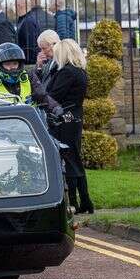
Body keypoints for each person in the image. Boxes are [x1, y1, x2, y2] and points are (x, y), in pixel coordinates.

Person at [45, 39, 93, 214]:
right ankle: (85, 200)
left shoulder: (66, 72)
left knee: (70, 160)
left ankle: (75, 202)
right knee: (75, 159)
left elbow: (52, 94)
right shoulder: (80, 71)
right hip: (75, 117)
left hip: (64, 119)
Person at [0, 42, 62, 116]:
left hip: (29, 126)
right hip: (0, 129)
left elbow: (42, 97)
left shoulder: (29, 76)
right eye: (7, 64)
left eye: (15, 63)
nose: (12, 67)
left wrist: (56, 108)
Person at [17, 0, 56, 64]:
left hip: (32, 60)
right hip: (49, 54)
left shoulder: (27, 21)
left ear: (20, 5)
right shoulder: (50, 17)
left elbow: (31, 46)